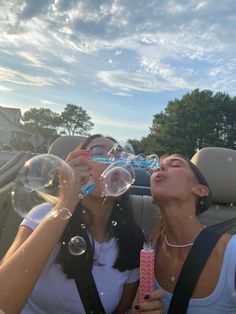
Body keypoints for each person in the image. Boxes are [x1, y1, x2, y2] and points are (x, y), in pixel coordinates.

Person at [0, 134, 148, 314]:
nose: (113, 161)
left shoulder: (133, 238)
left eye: (119, 156)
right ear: (78, 164)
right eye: (100, 151)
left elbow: (121, 310)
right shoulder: (46, 215)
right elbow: (4, 301)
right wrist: (68, 199)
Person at [147, 153, 236, 313]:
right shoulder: (149, 250)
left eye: (175, 165)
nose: (159, 168)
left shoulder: (232, 255)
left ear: (200, 190)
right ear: (153, 197)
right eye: (158, 166)